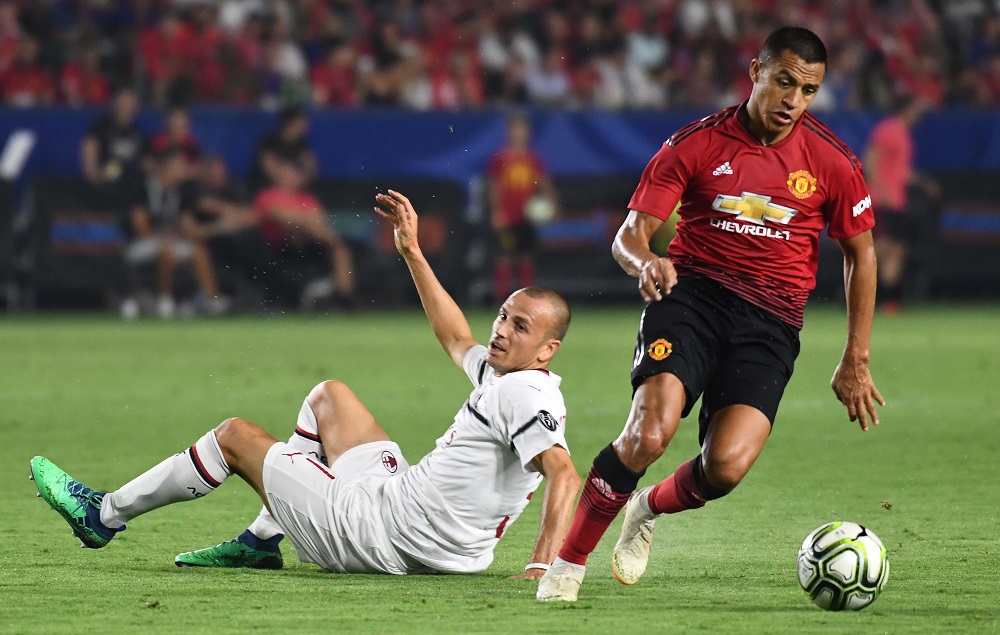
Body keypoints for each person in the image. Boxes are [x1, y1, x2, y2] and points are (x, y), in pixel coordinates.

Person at [30, 189, 581, 580]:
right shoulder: (506, 372)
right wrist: (413, 253)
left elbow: (563, 474)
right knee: (329, 396)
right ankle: (262, 542)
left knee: (234, 436)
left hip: (385, 536)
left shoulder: (522, 392)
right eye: (505, 315)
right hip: (421, 525)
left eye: (520, 326)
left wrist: (541, 566)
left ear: (549, 349)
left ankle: (103, 514)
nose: (501, 330)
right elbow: (457, 337)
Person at [536, 26, 885, 602]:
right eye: (785, 82)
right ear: (756, 73)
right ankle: (567, 565)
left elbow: (861, 253)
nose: (794, 100)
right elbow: (630, 235)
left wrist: (856, 355)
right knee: (650, 433)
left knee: (725, 467)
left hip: (770, 323)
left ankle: (646, 508)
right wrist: (644, 261)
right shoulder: (694, 144)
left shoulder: (832, 162)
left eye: (809, 90)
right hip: (691, 299)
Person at [122, 148, 228, 318]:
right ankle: (164, 300)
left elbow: (187, 226)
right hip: (140, 243)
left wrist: (216, 227)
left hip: (166, 240)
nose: (183, 168)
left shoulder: (178, 191)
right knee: (167, 252)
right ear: (167, 166)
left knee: (198, 251)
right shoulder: (144, 186)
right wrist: (161, 241)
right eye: (179, 165)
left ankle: (211, 299)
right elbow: (139, 224)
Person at [862, 93, 935, 314]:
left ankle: (889, 300)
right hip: (882, 201)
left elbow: (900, 171)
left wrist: (923, 183)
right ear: (906, 109)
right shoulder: (888, 129)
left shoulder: (903, 134)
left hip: (896, 202)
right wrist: (883, 193)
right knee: (883, 249)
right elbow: (871, 161)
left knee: (896, 250)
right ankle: (868, 296)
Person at [253, 159, 356, 309]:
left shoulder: (307, 198)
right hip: (280, 247)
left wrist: (305, 222)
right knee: (300, 227)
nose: (287, 177)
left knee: (340, 248)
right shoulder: (268, 195)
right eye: (283, 173)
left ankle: (345, 298)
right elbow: (276, 214)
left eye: (291, 173)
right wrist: (304, 220)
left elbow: (320, 221)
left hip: (312, 244)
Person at [486, 112, 558, 304]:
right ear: (508, 132)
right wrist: (496, 211)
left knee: (526, 258)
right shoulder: (500, 158)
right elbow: (495, 186)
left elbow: (543, 182)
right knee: (505, 257)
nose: (519, 133)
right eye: (515, 129)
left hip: (526, 216)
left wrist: (551, 202)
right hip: (508, 216)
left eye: (522, 129)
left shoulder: (532, 158)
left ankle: (526, 300)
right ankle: (501, 300)